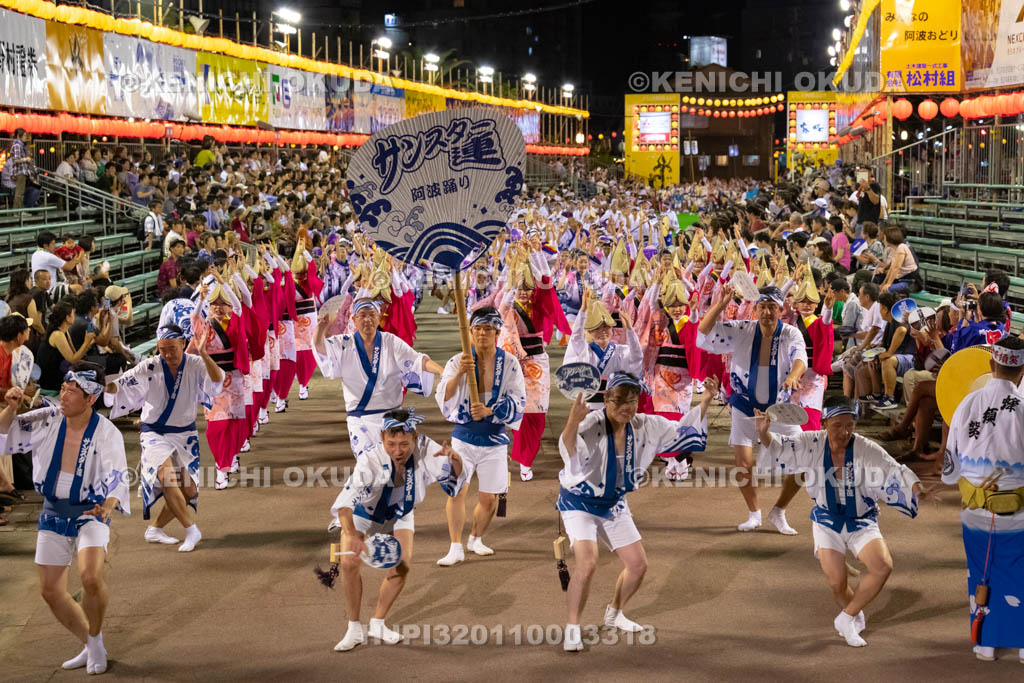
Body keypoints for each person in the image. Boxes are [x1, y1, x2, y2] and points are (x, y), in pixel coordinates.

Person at [559, 372, 713, 652]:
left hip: (614, 502)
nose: (627, 407)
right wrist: (572, 422)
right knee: (588, 562)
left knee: (638, 565)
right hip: (580, 502)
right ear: (606, 400)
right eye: (620, 401)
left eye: (632, 401)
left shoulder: (646, 425)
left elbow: (681, 431)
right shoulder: (592, 422)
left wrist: (705, 403)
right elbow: (569, 450)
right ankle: (572, 628)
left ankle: (614, 612)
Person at [756, 395, 921, 647]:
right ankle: (853, 613)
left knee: (882, 566)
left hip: (862, 520)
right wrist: (764, 434)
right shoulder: (810, 441)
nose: (844, 432)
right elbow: (779, 446)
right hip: (826, 520)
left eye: (850, 425)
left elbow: (892, 468)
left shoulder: (866, 447)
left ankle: (847, 616)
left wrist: (918, 487)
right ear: (824, 423)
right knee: (837, 582)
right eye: (837, 425)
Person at [0, 364, 130, 674]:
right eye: (63, 389)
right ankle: (91, 642)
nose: (63, 395)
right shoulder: (48, 418)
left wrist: (110, 505)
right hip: (53, 511)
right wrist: (10, 407)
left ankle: (95, 640)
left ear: (90, 398)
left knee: (90, 577)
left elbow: (118, 477)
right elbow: (4, 436)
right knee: (50, 591)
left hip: (91, 511)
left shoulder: (106, 432)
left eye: (72, 392)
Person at [330, 409, 466, 652]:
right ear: (382, 438)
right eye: (391, 443)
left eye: (404, 444)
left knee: (402, 564)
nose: (398, 450)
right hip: (365, 512)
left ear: (415, 438)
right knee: (349, 562)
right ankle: (353, 628)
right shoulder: (369, 460)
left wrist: (456, 460)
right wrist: (351, 535)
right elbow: (345, 505)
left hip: (401, 511)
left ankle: (378, 622)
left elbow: (453, 482)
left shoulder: (426, 448)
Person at [314, 299, 443, 528]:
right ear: (353, 320)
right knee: (367, 463)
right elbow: (322, 349)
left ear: (379, 318)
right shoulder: (344, 344)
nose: (367, 320)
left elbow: (417, 360)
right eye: (362, 315)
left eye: (372, 315)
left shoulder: (391, 341)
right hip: (360, 418)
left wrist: (444, 372)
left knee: (394, 465)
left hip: (391, 417)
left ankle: (389, 510)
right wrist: (321, 328)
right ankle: (348, 509)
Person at [697, 284, 807, 533]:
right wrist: (721, 305)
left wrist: (793, 375)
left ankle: (778, 512)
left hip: (780, 407)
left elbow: (800, 357)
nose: (767, 312)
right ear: (755, 309)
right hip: (745, 406)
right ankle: (754, 514)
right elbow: (703, 334)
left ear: (781, 309)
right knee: (743, 465)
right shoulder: (743, 329)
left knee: (802, 463)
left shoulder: (791, 333)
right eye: (762, 307)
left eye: (772, 307)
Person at [941, 337, 1024, 663]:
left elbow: (950, 465)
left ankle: (985, 642)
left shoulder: (967, 404)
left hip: (975, 505)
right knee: (1017, 570)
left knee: (981, 570)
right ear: (1021, 370)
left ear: (991, 365)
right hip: (1016, 506)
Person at [106, 325, 222, 551]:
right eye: (162, 350)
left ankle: (154, 529)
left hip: (184, 434)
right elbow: (119, 385)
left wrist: (204, 353)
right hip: (154, 432)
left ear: (182, 343)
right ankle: (191, 529)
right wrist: (100, 386)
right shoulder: (150, 365)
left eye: (172, 349)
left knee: (188, 490)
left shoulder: (196, 363)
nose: (167, 355)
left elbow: (216, 381)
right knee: (167, 476)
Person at [435, 306, 526, 566]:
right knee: (456, 491)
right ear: (471, 333)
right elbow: (444, 395)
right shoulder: (458, 360)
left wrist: (490, 410)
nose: (483, 334)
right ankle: (455, 546)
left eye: (488, 329)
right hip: (463, 437)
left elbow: (518, 399)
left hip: (494, 438)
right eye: (477, 329)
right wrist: (462, 373)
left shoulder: (509, 363)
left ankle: (475, 538)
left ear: (498, 333)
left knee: (489, 499)